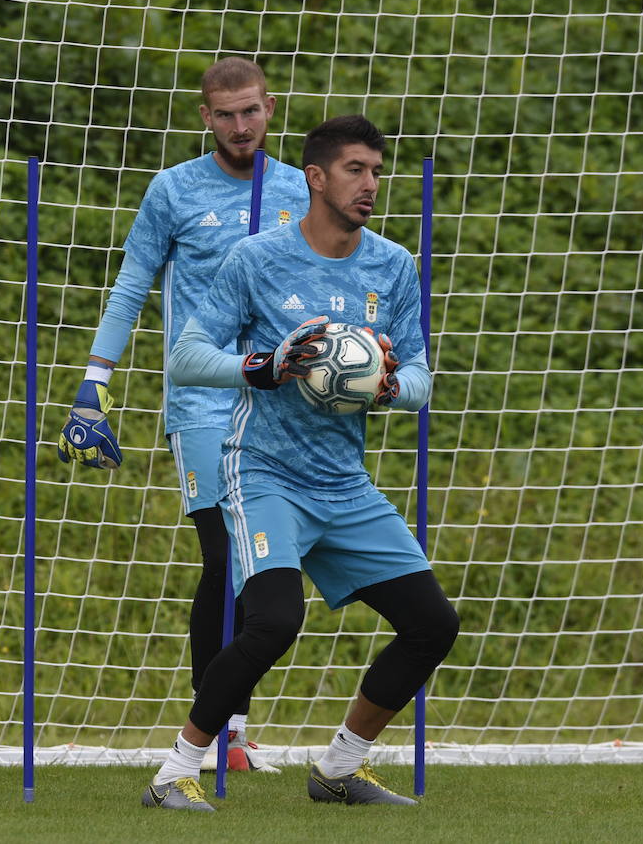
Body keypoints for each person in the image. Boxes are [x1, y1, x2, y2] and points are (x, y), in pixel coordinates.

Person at [146, 115, 458, 811]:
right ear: (315, 177)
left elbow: (421, 380)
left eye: (377, 171)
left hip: (344, 482)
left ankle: (340, 768)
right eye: (355, 169)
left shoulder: (393, 265)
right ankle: (175, 770)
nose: (370, 184)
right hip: (264, 473)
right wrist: (264, 365)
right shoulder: (257, 260)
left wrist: (386, 385)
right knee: (274, 620)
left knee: (432, 623)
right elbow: (187, 355)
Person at [56, 57, 309, 772]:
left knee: (266, 568)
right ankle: (217, 733)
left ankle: (233, 729)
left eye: (251, 111)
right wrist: (92, 385)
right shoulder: (173, 190)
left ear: (270, 107)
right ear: (205, 117)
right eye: (225, 114)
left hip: (282, 405)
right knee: (225, 557)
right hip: (201, 402)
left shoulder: (298, 188)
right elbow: (132, 285)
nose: (240, 126)